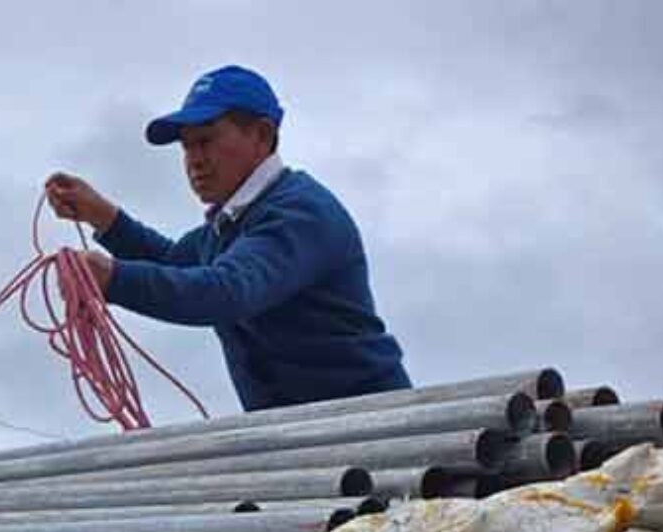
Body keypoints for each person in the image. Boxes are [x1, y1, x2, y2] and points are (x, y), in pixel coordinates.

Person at [46, 65, 410, 411]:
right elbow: (174, 264)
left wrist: (114, 279)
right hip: (305, 433)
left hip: (378, 426)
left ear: (262, 135)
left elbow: (226, 290)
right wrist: (102, 217)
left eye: (205, 141)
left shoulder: (301, 212)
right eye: (187, 146)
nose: (194, 160)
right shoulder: (229, 225)